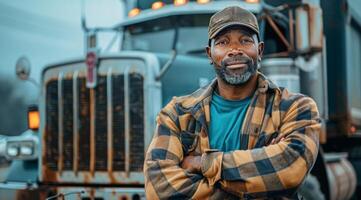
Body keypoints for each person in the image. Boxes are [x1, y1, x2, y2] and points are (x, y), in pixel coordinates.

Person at [144, 6, 320, 199]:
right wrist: (261, 179)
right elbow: (159, 188)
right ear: (209, 53)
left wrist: (201, 163)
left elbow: (290, 168)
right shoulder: (178, 114)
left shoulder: (295, 108)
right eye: (223, 42)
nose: (235, 50)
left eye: (245, 41)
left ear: (259, 50)